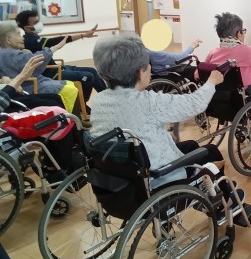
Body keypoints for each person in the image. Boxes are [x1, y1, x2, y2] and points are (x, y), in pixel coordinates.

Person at [91, 34, 233, 190]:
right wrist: (212, 82)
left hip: (122, 178)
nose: (150, 68)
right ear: (139, 72)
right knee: (211, 151)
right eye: (148, 65)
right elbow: (195, 104)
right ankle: (226, 199)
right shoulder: (147, 101)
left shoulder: (98, 101)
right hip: (159, 177)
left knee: (192, 145)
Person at [16, 10, 106, 101]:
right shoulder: (30, 40)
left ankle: (109, 97)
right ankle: (81, 106)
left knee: (92, 71)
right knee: (88, 77)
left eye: (38, 21)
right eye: (35, 23)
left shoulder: (34, 37)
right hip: (50, 74)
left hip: (57, 68)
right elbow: (54, 41)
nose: (39, 24)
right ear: (27, 27)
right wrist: (83, 35)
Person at [0, 21, 79, 113]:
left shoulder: (7, 52)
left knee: (70, 85)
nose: (22, 38)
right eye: (18, 35)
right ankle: (69, 117)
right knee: (70, 90)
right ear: (8, 40)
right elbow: (34, 61)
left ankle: (74, 116)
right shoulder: (9, 54)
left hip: (27, 83)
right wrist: (55, 48)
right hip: (28, 85)